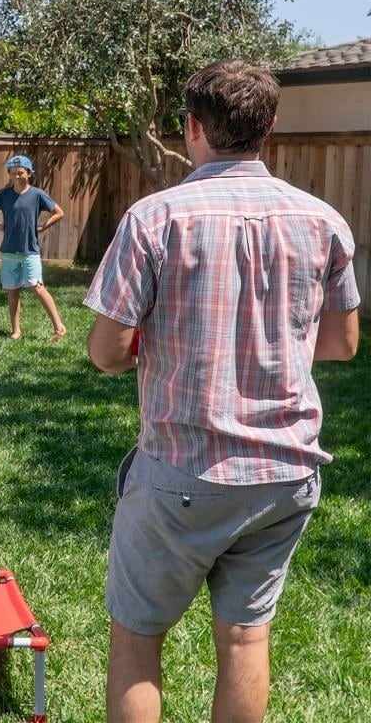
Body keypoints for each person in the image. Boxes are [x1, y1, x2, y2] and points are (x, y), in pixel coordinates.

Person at [84, 60, 360, 723]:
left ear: (193, 128)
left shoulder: (155, 218)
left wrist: (164, 345)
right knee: (245, 637)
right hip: (284, 473)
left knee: (137, 635)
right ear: (269, 127)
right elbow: (343, 344)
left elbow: (106, 353)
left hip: (184, 469)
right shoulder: (323, 220)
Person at [0, 154, 67, 341]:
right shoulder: (3, 195)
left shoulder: (37, 195)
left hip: (30, 251)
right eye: (12, 174)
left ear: (29, 173)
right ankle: (16, 330)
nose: (16, 177)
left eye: (20, 173)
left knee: (37, 288)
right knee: (12, 291)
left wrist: (44, 226)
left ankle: (59, 327)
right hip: (9, 251)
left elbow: (59, 212)